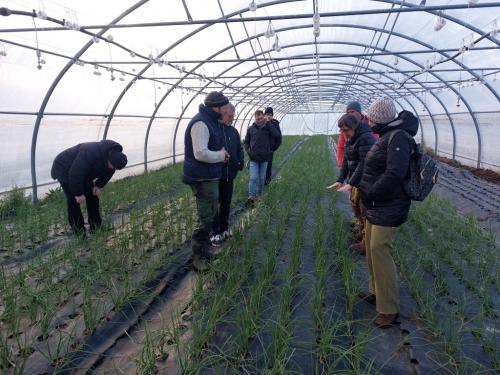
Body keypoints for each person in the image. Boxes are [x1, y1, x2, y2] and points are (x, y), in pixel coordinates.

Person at [358, 97, 418, 328]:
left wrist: (372, 192)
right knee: (372, 251)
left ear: (380, 118)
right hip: (377, 205)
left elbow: (395, 174)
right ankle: (377, 293)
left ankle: (389, 309)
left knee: (379, 250)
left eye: (372, 117)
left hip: (388, 205)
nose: (369, 121)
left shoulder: (398, 137)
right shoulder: (387, 135)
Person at [183, 91, 230, 272]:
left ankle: (204, 253)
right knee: (204, 219)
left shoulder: (210, 121)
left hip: (209, 176)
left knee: (210, 216)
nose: (225, 110)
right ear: (215, 107)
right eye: (223, 107)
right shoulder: (201, 123)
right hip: (201, 178)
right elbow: (200, 153)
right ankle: (196, 258)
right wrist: (220, 155)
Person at [51, 140, 128, 235]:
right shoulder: (90, 152)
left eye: (115, 168)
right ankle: (79, 232)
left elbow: (109, 172)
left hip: (83, 172)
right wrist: (78, 194)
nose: (113, 169)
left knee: (93, 196)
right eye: (113, 166)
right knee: (74, 201)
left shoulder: (113, 159)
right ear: (109, 159)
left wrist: (98, 185)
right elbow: (75, 173)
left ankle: (96, 227)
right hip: (64, 168)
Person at [327, 114, 376, 253]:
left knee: (365, 212)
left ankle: (365, 244)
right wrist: (340, 180)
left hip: (366, 182)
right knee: (357, 209)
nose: (344, 133)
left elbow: (364, 163)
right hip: (356, 181)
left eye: (346, 130)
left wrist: (352, 182)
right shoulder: (351, 138)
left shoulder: (365, 139)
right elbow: (347, 162)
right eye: (341, 130)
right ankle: (361, 234)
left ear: (355, 127)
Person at [210, 103, 244, 247]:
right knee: (214, 205)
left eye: (233, 115)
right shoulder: (214, 130)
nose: (232, 117)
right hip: (216, 174)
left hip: (230, 174)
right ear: (223, 112)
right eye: (230, 115)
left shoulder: (233, 132)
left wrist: (240, 162)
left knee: (226, 203)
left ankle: (224, 229)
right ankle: (215, 233)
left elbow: (239, 148)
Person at [244, 110, 281, 206]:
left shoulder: (268, 128)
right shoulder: (251, 129)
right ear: (255, 119)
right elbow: (246, 142)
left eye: (261, 118)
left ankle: (259, 196)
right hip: (254, 158)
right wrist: (249, 152)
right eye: (257, 119)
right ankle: (251, 197)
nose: (259, 120)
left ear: (263, 117)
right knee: (253, 178)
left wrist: (268, 122)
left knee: (261, 179)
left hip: (265, 158)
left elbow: (276, 135)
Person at [263, 107, 282, 185]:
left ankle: (267, 182)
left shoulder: (275, 124)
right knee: (261, 166)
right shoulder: (261, 123)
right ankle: (261, 182)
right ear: (264, 115)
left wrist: (273, 148)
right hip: (261, 150)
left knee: (268, 166)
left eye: (270, 115)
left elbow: (278, 138)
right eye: (267, 114)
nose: (268, 116)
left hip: (270, 150)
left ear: (272, 116)